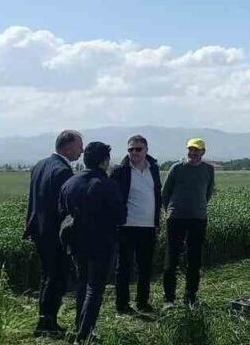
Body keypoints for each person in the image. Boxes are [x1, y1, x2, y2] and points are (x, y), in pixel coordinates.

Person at [59, 142, 124, 344]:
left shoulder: (70, 183)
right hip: (101, 244)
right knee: (95, 289)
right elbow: (120, 216)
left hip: (76, 244)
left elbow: (62, 212)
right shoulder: (107, 184)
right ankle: (85, 334)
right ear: (104, 161)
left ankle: (79, 326)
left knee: (82, 284)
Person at [24, 129, 81, 338]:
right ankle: (48, 324)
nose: (81, 150)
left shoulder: (40, 165)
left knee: (47, 276)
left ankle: (44, 319)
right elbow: (65, 209)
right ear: (67, 146)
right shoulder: (63, 172)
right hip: (54, 234)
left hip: (39, 230)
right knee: (57, 278)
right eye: (78, 145)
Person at [110, 134, 162, 314]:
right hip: (127, 226)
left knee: (145, 267)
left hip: (148, 227)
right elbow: (114, 199)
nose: (134, 152)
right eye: (131, 149)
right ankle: (122, 305)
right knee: (123, 267)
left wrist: (156, 221)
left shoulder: (153, 169)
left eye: (138, 149)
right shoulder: (120, 171)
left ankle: (142, 302)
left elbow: (157, 196)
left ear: (146, 150)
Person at [161, 137, 215, 307]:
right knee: (172, 258)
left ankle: (190, 298)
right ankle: (169, 299)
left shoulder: (208, 169)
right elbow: (165, 192)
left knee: (194, 260)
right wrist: (169, 210)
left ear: (203, 152)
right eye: (190, 149)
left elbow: (208, 192)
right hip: (176, 218)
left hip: (198, 219)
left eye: (196, 150)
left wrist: (199, 207)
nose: (192, 153)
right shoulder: (177, 168)